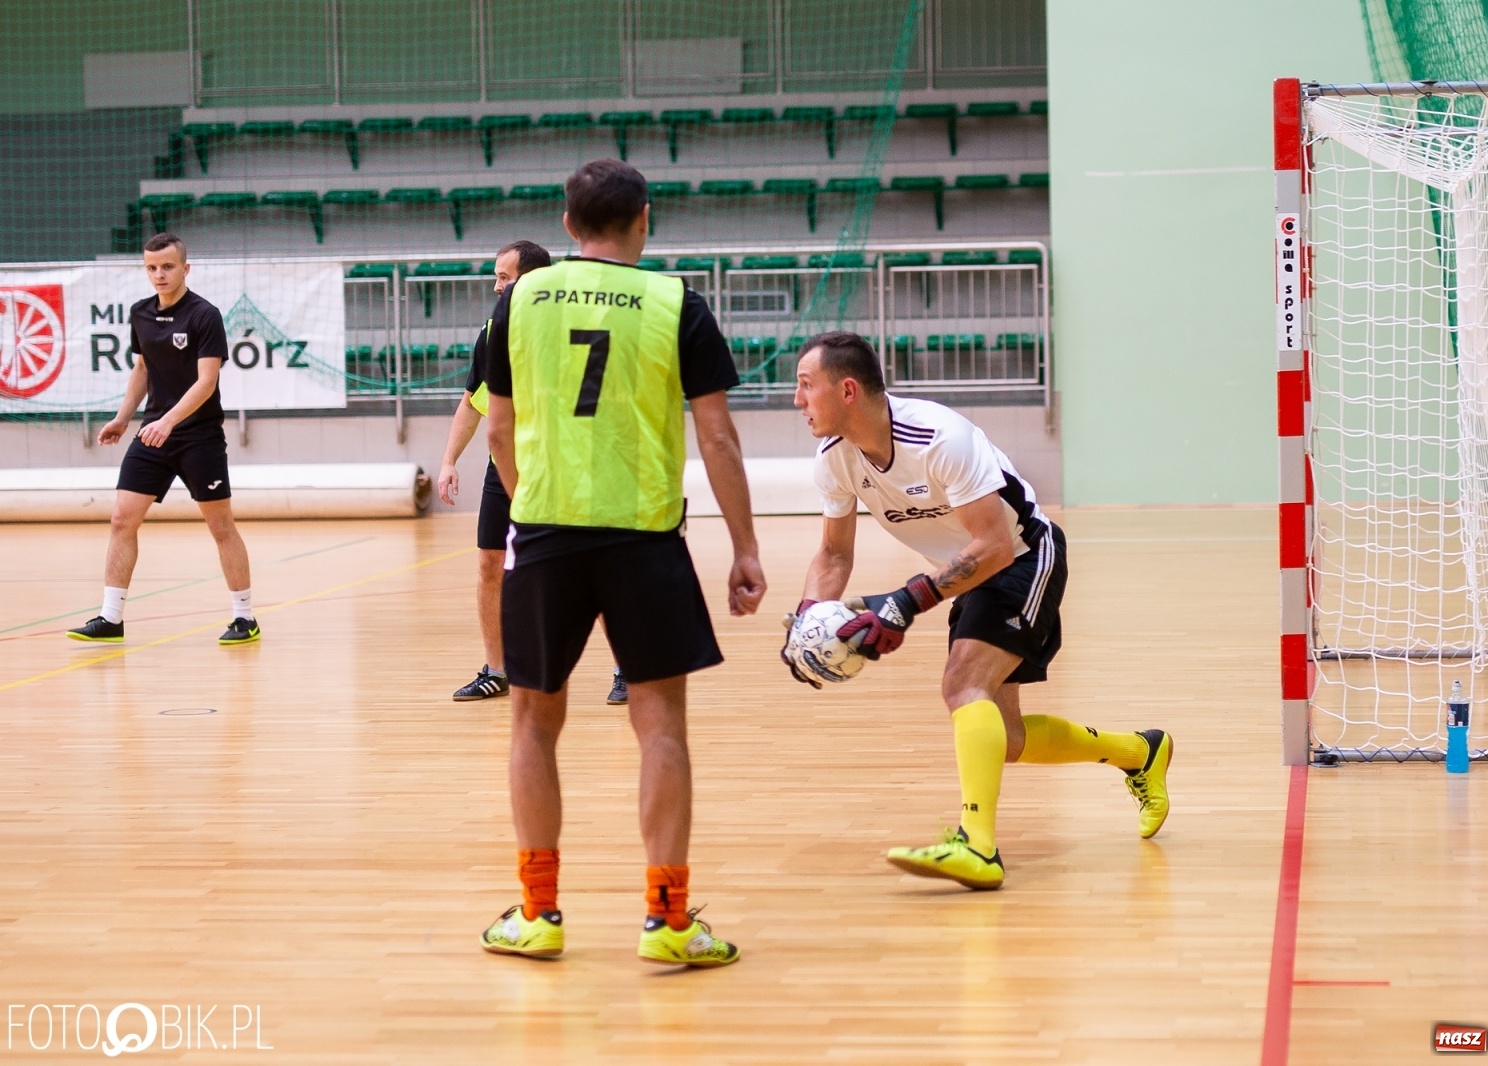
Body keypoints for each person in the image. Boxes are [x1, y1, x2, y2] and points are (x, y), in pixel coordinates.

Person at [477, 159, 766, 966]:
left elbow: (497, 433)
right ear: (646, 218)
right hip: (644, 536)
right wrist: (744, 549)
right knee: (659, 725)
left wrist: (530, 508)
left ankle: (538, 914)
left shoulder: (519, 300)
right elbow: (717, 437)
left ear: (567, 227)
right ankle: (670, 923)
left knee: (534, 722)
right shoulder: (678, 304)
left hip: (544, 532)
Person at [785, 331, 1173, 891]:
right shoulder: (835, 459)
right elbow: (834, 552)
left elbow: (991, 545)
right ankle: (1139, 753)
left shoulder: (940, 437)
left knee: (963, 686)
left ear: (846, 389)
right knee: (1006, 738)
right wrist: (807, 621)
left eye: (805, 386)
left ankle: (977, 847)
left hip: (1020, 555)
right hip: (970, 574)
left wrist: (904, 602)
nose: (797, 400)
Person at [440, 239, 629, 707]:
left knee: (593, 570)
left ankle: (627, 665)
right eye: (496, 279)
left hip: (564, 466)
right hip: (505, 466)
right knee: (489, 565)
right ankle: (496, 670)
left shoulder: (576, 326)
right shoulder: (492, 331)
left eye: (505, 277)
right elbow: (473, 401)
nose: (498, 287)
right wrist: (448, 461)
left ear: (535, 279)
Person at [68, 232, 258, 647]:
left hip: (198, 436)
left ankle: (244, 617)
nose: (159, 274)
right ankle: (111, 617)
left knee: (220, 526)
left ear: (185, 269)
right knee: (121, 520)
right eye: (152, 268)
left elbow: (206, 382)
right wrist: (122, 419)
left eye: (167, 267)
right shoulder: (140, 313)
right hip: (153, 433)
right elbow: (142, 370)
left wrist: (169, 421)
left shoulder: (204, 316)